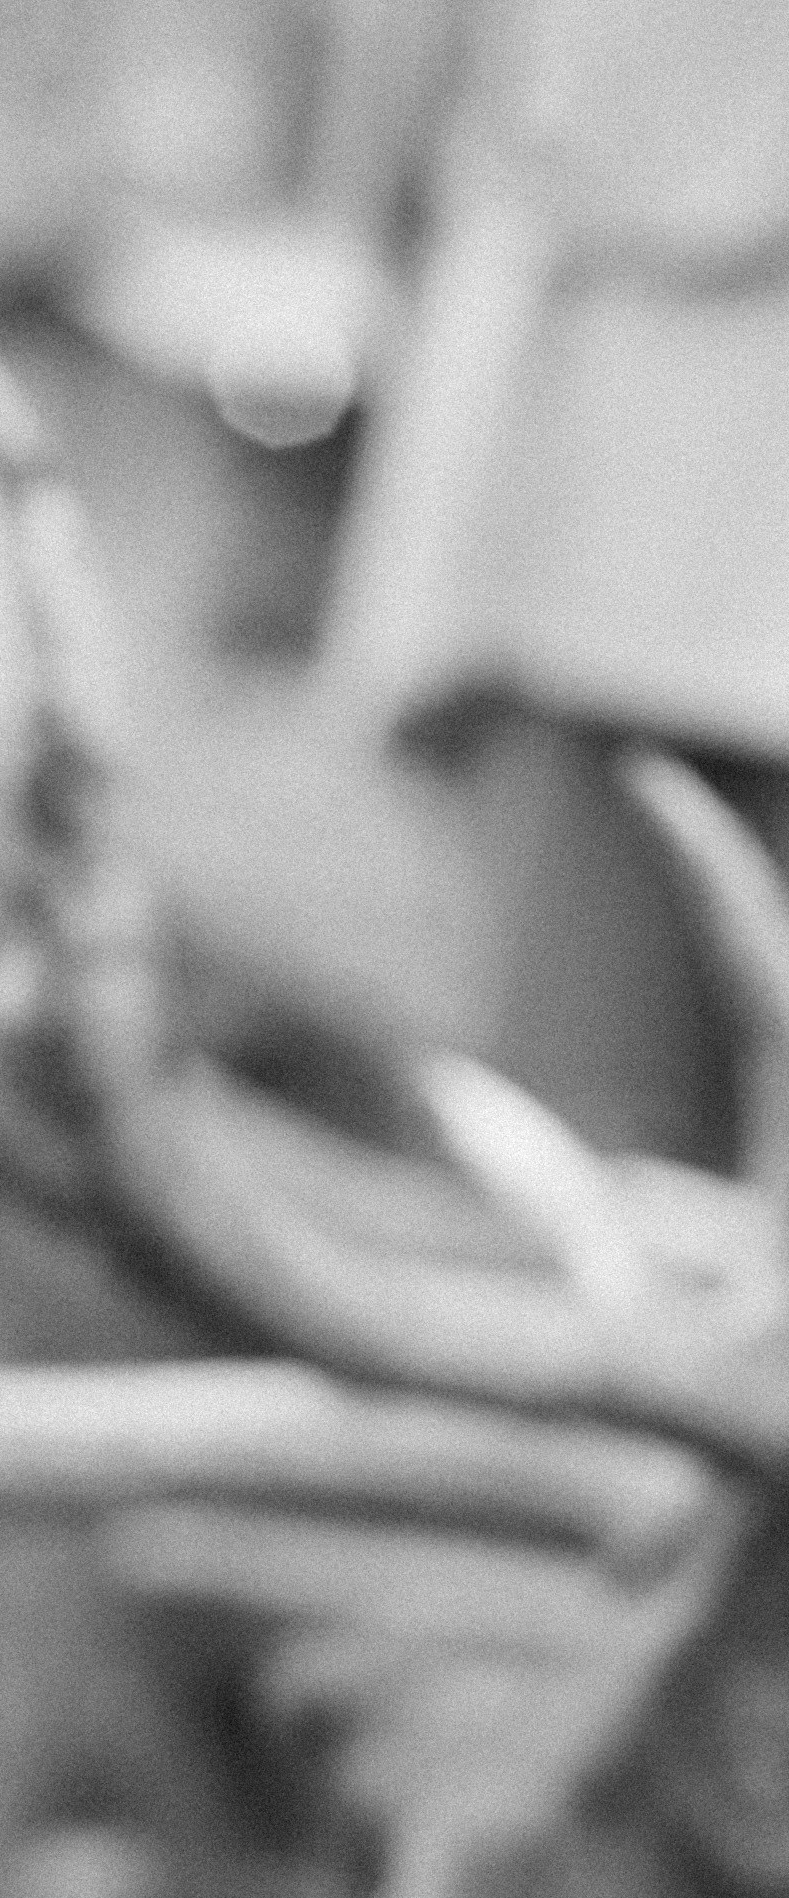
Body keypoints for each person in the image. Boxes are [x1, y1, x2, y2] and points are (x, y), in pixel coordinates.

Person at [323, 0, 789, 1163]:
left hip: (647, 592)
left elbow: (634, 149)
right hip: (617, 589)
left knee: (588, 1172)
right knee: (586, 1172)